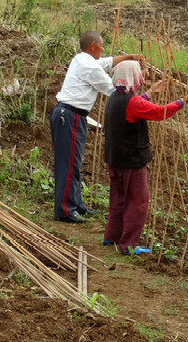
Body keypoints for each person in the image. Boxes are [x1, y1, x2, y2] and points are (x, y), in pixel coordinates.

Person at [102, 61, 188, 254]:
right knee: (138, 203)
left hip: (115, 159)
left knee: (118, 198)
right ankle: (129, 245)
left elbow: (136, 108)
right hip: (132, 161)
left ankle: (111, 236)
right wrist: (184, 101)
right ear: (133, 76)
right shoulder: (132, 102)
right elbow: (158, 112)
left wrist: (151, 93)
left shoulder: (114, 97)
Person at [51, 31, 144, 223]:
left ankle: (77, 204)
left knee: (74, 163)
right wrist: (135, 83)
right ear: (92, 46)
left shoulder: (83, 59)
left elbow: (108, 62)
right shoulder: (89, 67)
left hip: (73, 116)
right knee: (68, 164)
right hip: (69, 116)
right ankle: (65, 211)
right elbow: (113, 88)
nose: (103, 49)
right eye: (101, 46)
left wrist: (129, 57)